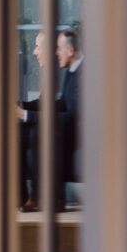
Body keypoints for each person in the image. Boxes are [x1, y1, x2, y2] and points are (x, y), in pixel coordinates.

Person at [18, 27, 83, 210]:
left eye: (39, 47)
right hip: (65, 126)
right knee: (18, 132)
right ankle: (20, 197)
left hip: (71, 131)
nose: (34, 52)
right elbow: (59, 103)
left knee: (37, 130)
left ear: (69, 50)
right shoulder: (71, 71)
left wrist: (26, 114)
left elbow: (71, 115)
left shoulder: (72, 72)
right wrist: (22, 107)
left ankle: (40, 196)